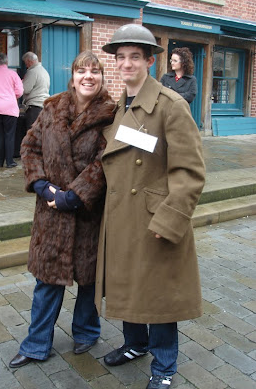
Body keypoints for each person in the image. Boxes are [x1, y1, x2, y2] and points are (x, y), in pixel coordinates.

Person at [95, 24, 206, 389]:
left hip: (153, 219)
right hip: (122, 216)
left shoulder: (170, 106)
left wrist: (170, 219)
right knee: (129, 285)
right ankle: (135, 344)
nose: (127, 64)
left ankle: (164, 368)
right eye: (121, 58)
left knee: (157, 296)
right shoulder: (116, 107)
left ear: (148, 61)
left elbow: (189, 172)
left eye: (135, 57)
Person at [9, 51, 115, 369]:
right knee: (46, 281)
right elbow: (30, 146)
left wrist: (75, 196)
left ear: (101, 77)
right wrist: (41, 185)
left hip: (87, 212)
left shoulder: (111, 113)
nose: (88, 76)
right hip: (50, 212)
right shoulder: (52, 107)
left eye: (94, 71)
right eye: (82, 70)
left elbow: (107, 160)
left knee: (87, 280)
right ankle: (36, 343)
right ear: (72, 75)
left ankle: (86, 331)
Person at [22, 52, 50, 130]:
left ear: (29, 61)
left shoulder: (32, 72)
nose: (26, 66)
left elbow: (25, 89)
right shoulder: (44, 71)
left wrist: (21, 83)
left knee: (32, 134)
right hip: (43, 106)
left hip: (34, 107)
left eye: (26, 63)